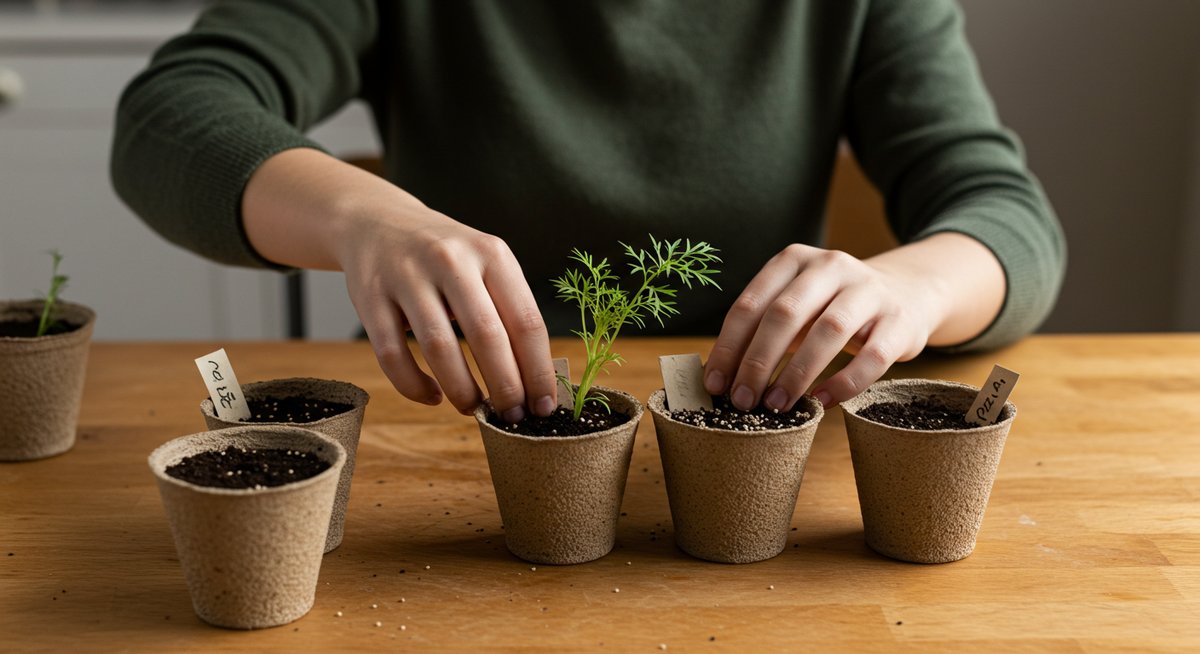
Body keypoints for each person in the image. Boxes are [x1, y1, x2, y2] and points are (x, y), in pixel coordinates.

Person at [111, 1, 1065, 424]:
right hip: (451, 418)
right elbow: (173, 112)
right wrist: (361, 217)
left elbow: (1004, 213)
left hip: (763, 416)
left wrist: (911, 288)